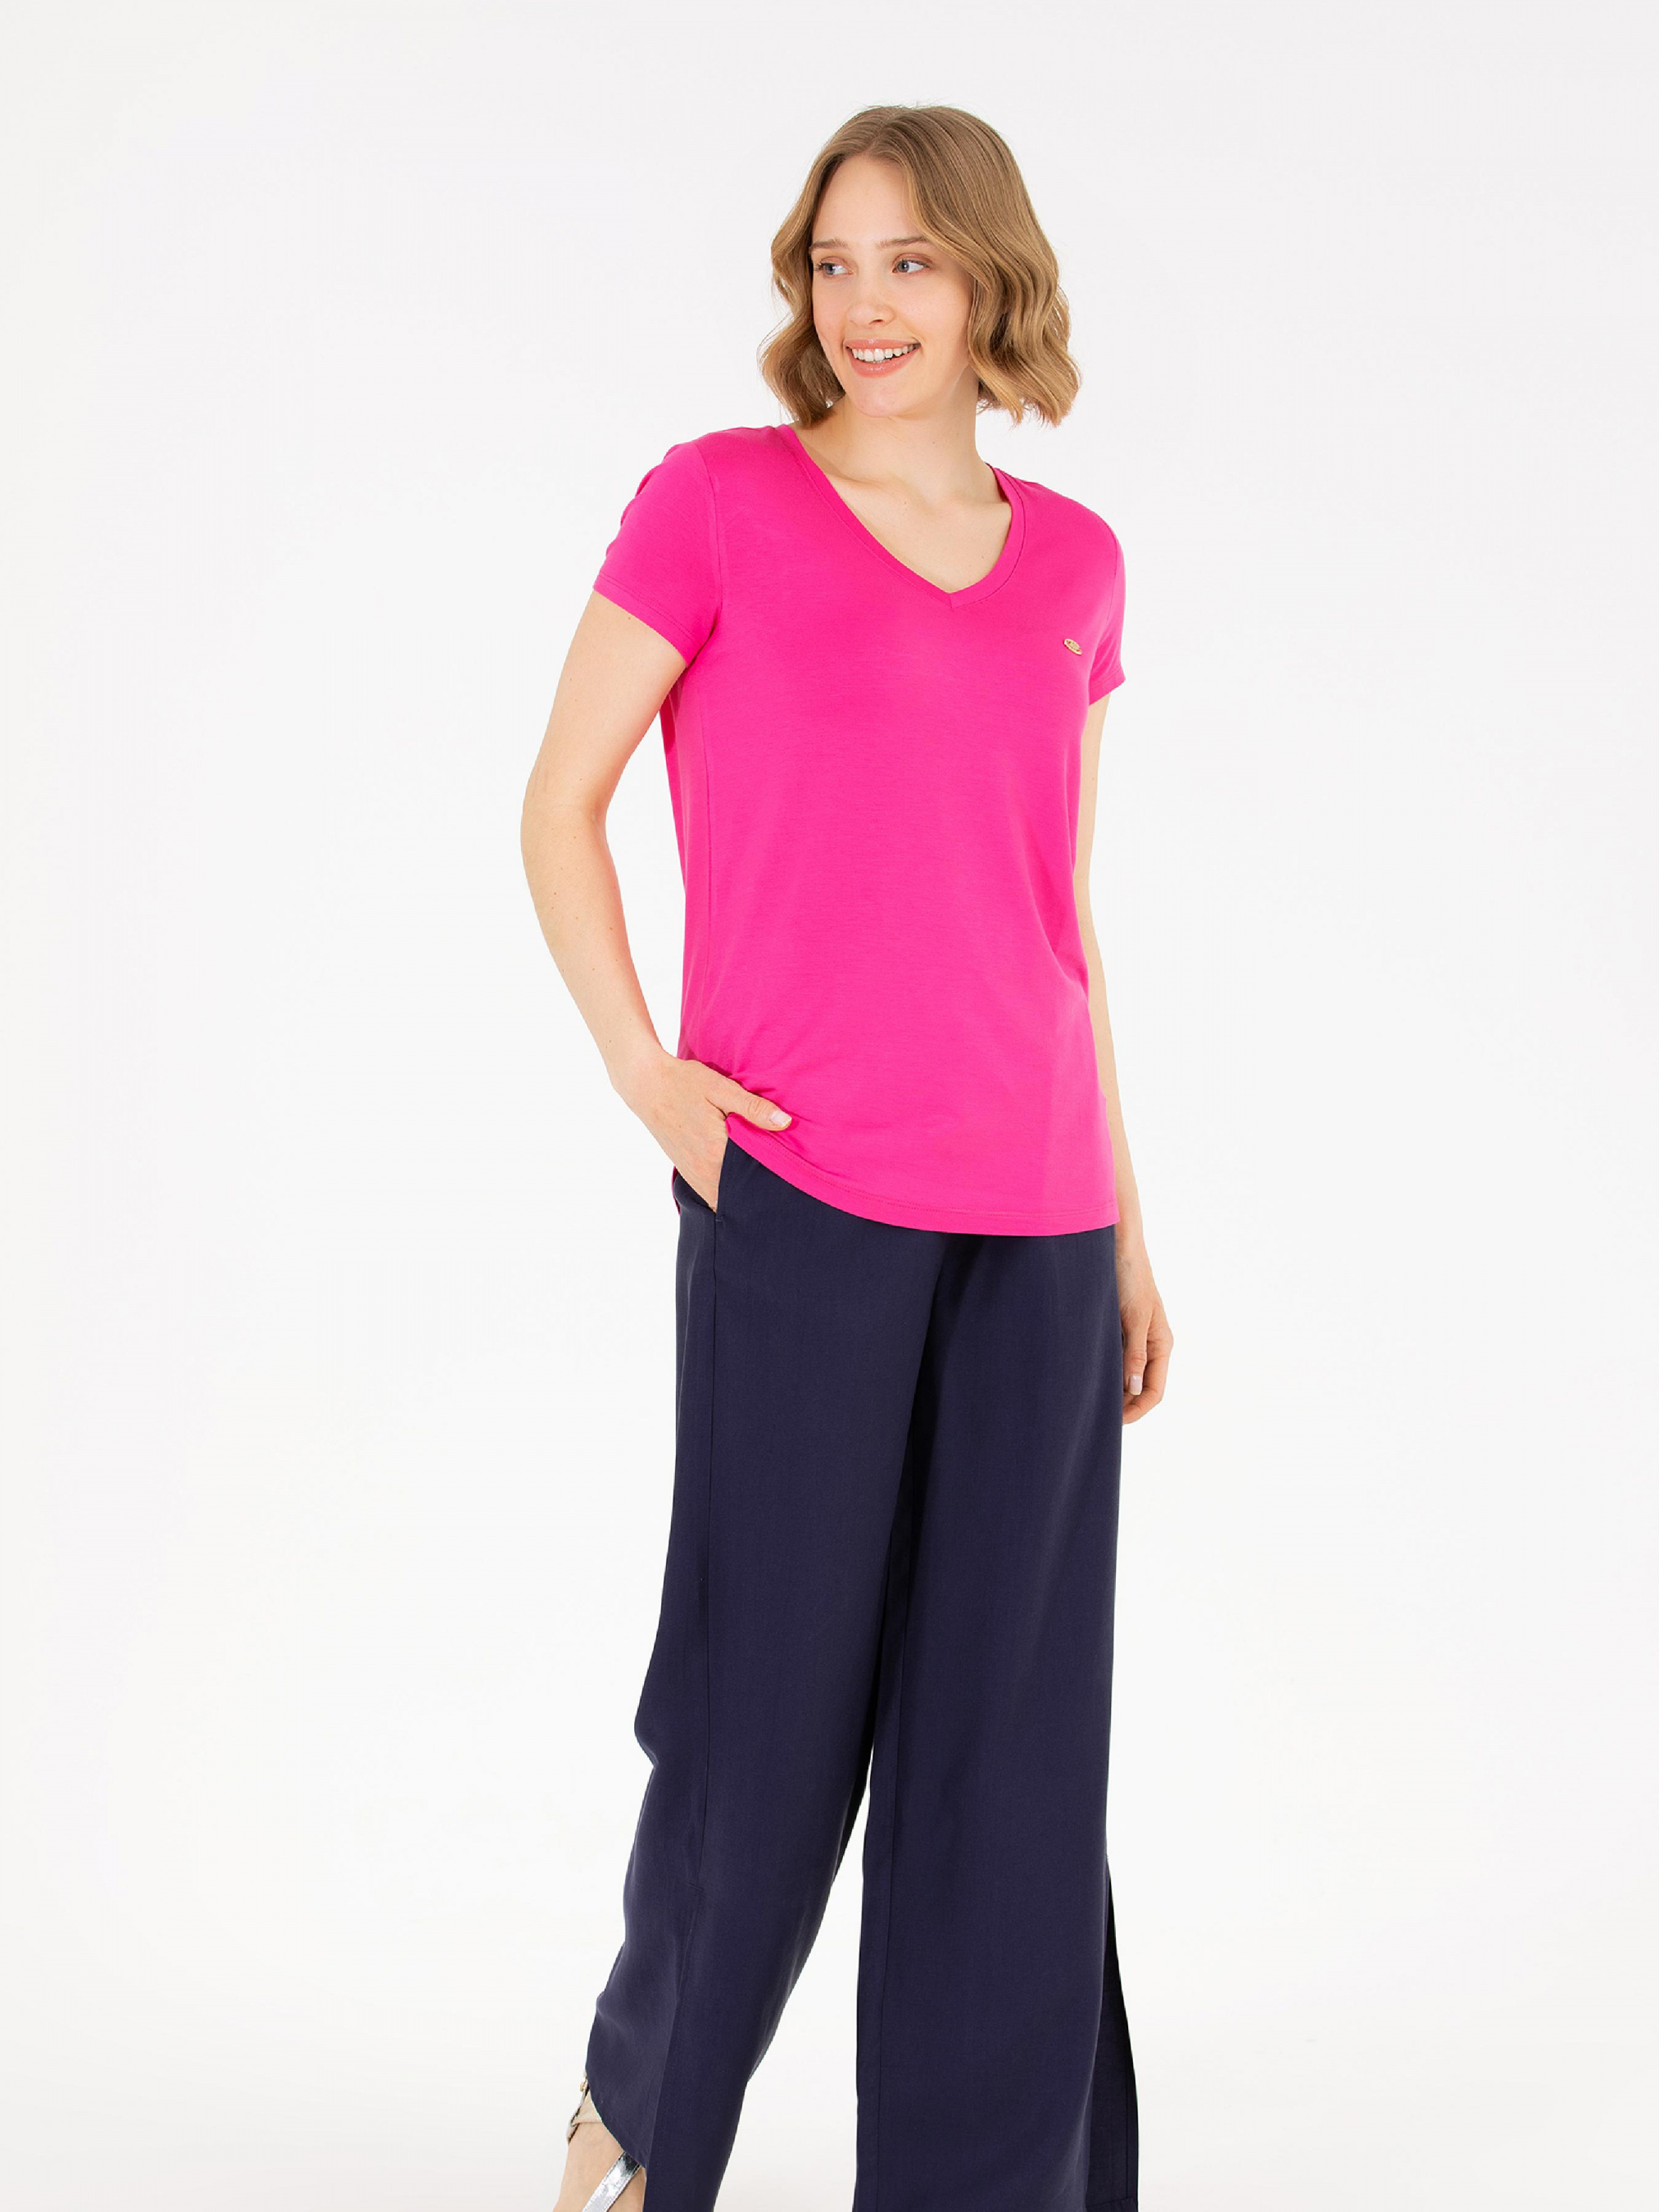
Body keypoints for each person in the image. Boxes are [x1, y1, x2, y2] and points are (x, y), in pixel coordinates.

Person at [519, 102, 1172, 2212]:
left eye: (910, 259)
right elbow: (557, 804)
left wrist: (1130, 1232)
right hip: (800, 1193)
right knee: (762, 1709)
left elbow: (1061, 915)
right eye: (833, 261)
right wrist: (651, 1079)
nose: (865, 302)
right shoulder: (717, 504)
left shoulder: (1078, 565)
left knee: (1011, 1749)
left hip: (1042, 1216)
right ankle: (644, 2118)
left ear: (990, 277)